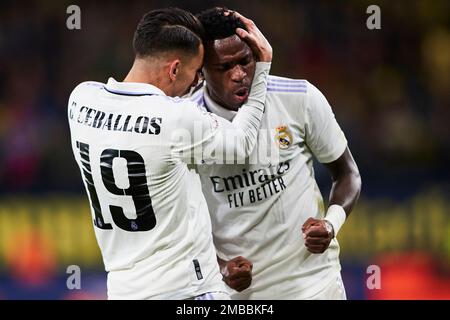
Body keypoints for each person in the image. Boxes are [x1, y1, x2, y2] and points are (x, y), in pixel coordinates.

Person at [67, 7, 272, 299]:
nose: (196, 83)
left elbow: (143, 119)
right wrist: (262, 68)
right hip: (187, 292)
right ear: (174, 69)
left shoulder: (80, 100)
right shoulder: (177, 118)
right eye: (195, 73)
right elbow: (241, 145)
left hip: (124, 291)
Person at [192, 7, 362, 299]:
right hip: (238, 294)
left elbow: (348, 173)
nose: (239, 74)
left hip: (313, 284)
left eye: (245, 61)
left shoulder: (299, 97)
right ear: (201, 70)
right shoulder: (185, 123)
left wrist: (331, 223)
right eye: (224, 67)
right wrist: (218, 266)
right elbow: (180, 223)